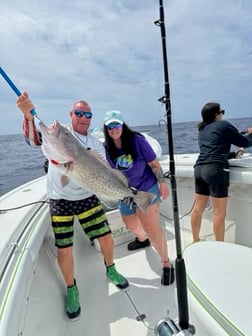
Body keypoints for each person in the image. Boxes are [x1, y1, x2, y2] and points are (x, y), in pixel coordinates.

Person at [16, 93, 129, 321]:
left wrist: (125, 187)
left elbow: (107, 169)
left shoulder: (94, 143)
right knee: (64, 248)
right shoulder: (61, 134)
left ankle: (111, 269)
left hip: (87, 195)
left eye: (87, 114)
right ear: (71, 115)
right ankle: (72, 289)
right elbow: (34, 139)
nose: (83, 118)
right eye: (79, 113)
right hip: (59, 200)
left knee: (106, 237)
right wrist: (28, 116)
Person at [102, 110, 175, 286]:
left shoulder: (137, 141)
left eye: (117, 125)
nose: (114, 129)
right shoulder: (107, 146)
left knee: (150, 225)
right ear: (106, 128)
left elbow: (154, 164)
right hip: (125, 192)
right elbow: (113, 172)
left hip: (146, 188)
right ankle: (142, 240)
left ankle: (167, 263)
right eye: (110, 126)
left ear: (122, 125)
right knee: (130, 224)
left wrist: (163, 183)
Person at [191, 102, 252, 242]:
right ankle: (220, 246)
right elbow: (245, 142)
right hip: (215, 170)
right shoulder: (224, 125)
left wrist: (232, 154)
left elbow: (212, 148)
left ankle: (195, 240)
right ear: (216, 114)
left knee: (197, 210)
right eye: (222, 111)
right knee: (219, 213)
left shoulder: (202, 129)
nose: (223, 114)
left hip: (199, 169)